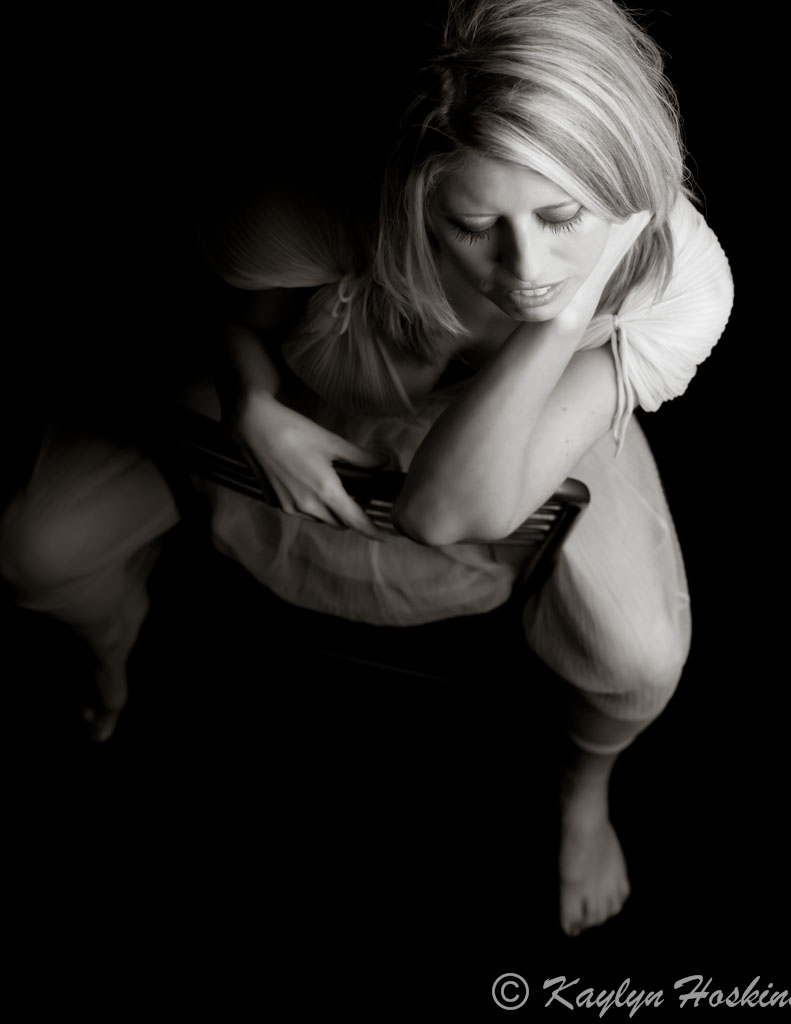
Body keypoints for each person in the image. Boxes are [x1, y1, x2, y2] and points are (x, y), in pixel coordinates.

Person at [0, 0, 733, 935]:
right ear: (421, 198)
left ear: (628, 190)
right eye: (472, 227)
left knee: (638, 659)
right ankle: (109, 649)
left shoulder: (678, 281)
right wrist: (252, 401)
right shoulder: (320, 204)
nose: (524, 266)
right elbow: (222, 299)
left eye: (562, 217)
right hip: (323, 369)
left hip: (544, 414)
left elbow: (445, 511)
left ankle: (585, 793)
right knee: (37, 548)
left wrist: (558, 321)